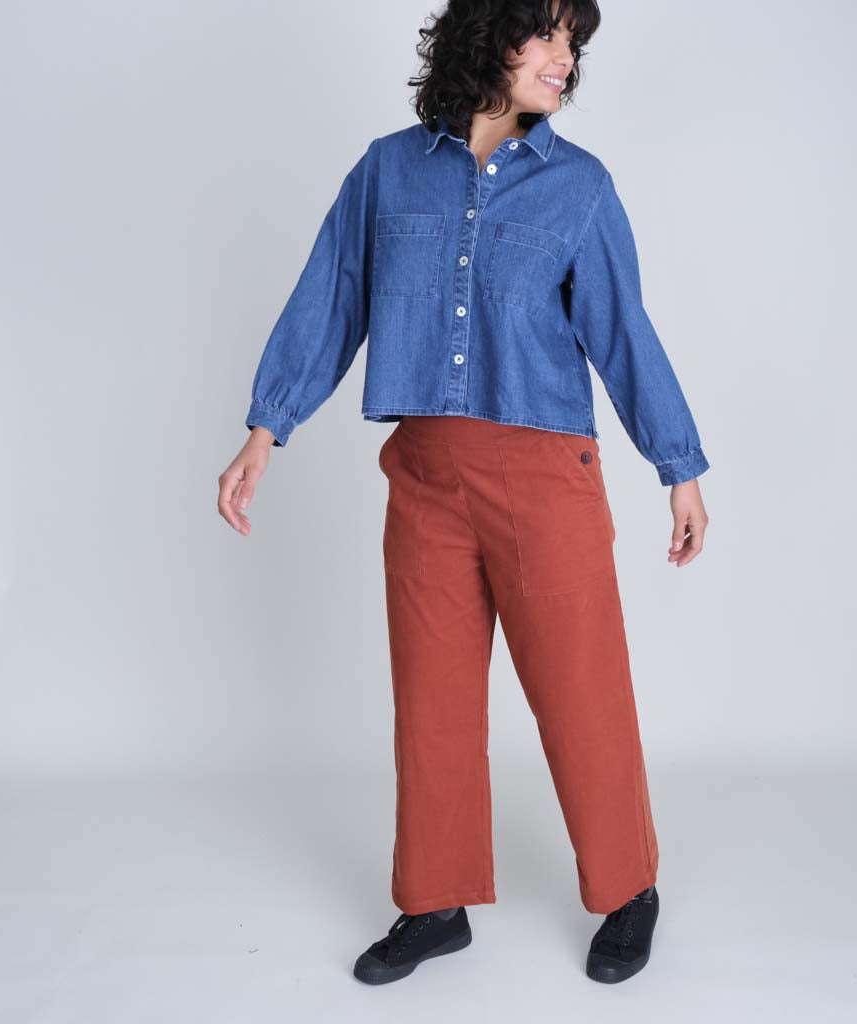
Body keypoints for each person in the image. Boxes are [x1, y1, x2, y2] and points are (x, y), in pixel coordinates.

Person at [218, 0, 710, 987]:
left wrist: (679, 465)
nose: (565, 59)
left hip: (545, 479)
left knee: (581, 691)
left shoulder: (578, 187)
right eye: (548, 34)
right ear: (489, 36)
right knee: (432, 699)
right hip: (427, 478)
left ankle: (629, 887)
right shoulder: (387, 172)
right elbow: (331, 296)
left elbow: (624, 330)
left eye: (574, 42)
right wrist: (265, 430)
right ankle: (435, 902)